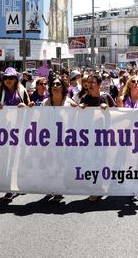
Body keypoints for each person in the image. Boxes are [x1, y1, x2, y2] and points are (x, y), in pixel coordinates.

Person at [0, 67, 30, 201]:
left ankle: (16, 186)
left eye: (11, 78)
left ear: (16, 80)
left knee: (17, 159)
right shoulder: (0, 91)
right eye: (6, 78)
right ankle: (10, 187)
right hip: (4, 131)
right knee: (7, 160)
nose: (8, 80)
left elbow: (30, 108)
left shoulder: (22, 91)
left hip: (20, 130)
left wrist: (24, 107)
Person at [78, 74, 115, 202]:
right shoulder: (84, 98)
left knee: (103, 163)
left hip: (105, 137)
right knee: (93, 163)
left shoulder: (106, 97)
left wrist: (108, 109)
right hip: (90, 137)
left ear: (99, 85)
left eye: (93, 82)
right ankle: (96, 189)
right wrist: (81, 108)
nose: (90, 84)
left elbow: (117, 114)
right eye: (88, 82)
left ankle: (103, 187)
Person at [41, 76, 77, 202]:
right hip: (49, 138)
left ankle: (59, 190)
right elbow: (40, 120)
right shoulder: (45, 103)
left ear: (63, 87)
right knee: (49, 164)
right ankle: (50, 188)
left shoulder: (69, 103)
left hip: (64, 140)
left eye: (58, 84)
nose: (55, 86)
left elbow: (77, 119)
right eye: (53, 84)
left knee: (61, 165)